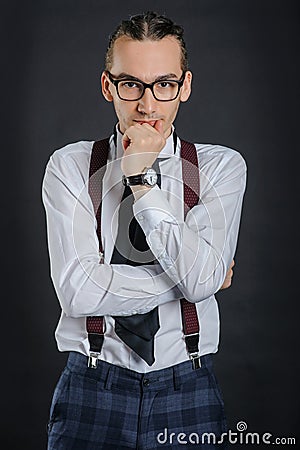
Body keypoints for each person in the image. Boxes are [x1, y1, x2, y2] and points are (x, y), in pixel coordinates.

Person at [42, 11, 246, 450]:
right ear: (107, 86)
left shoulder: (218, 168)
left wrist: (140, 180)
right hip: (91, 389)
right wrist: (190, 284)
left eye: (165, 84)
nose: (148, 105)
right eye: (131, 83)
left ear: (184, 87)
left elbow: (201, 280)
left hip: (187, 387)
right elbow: (77, 292)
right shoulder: (72, 166)